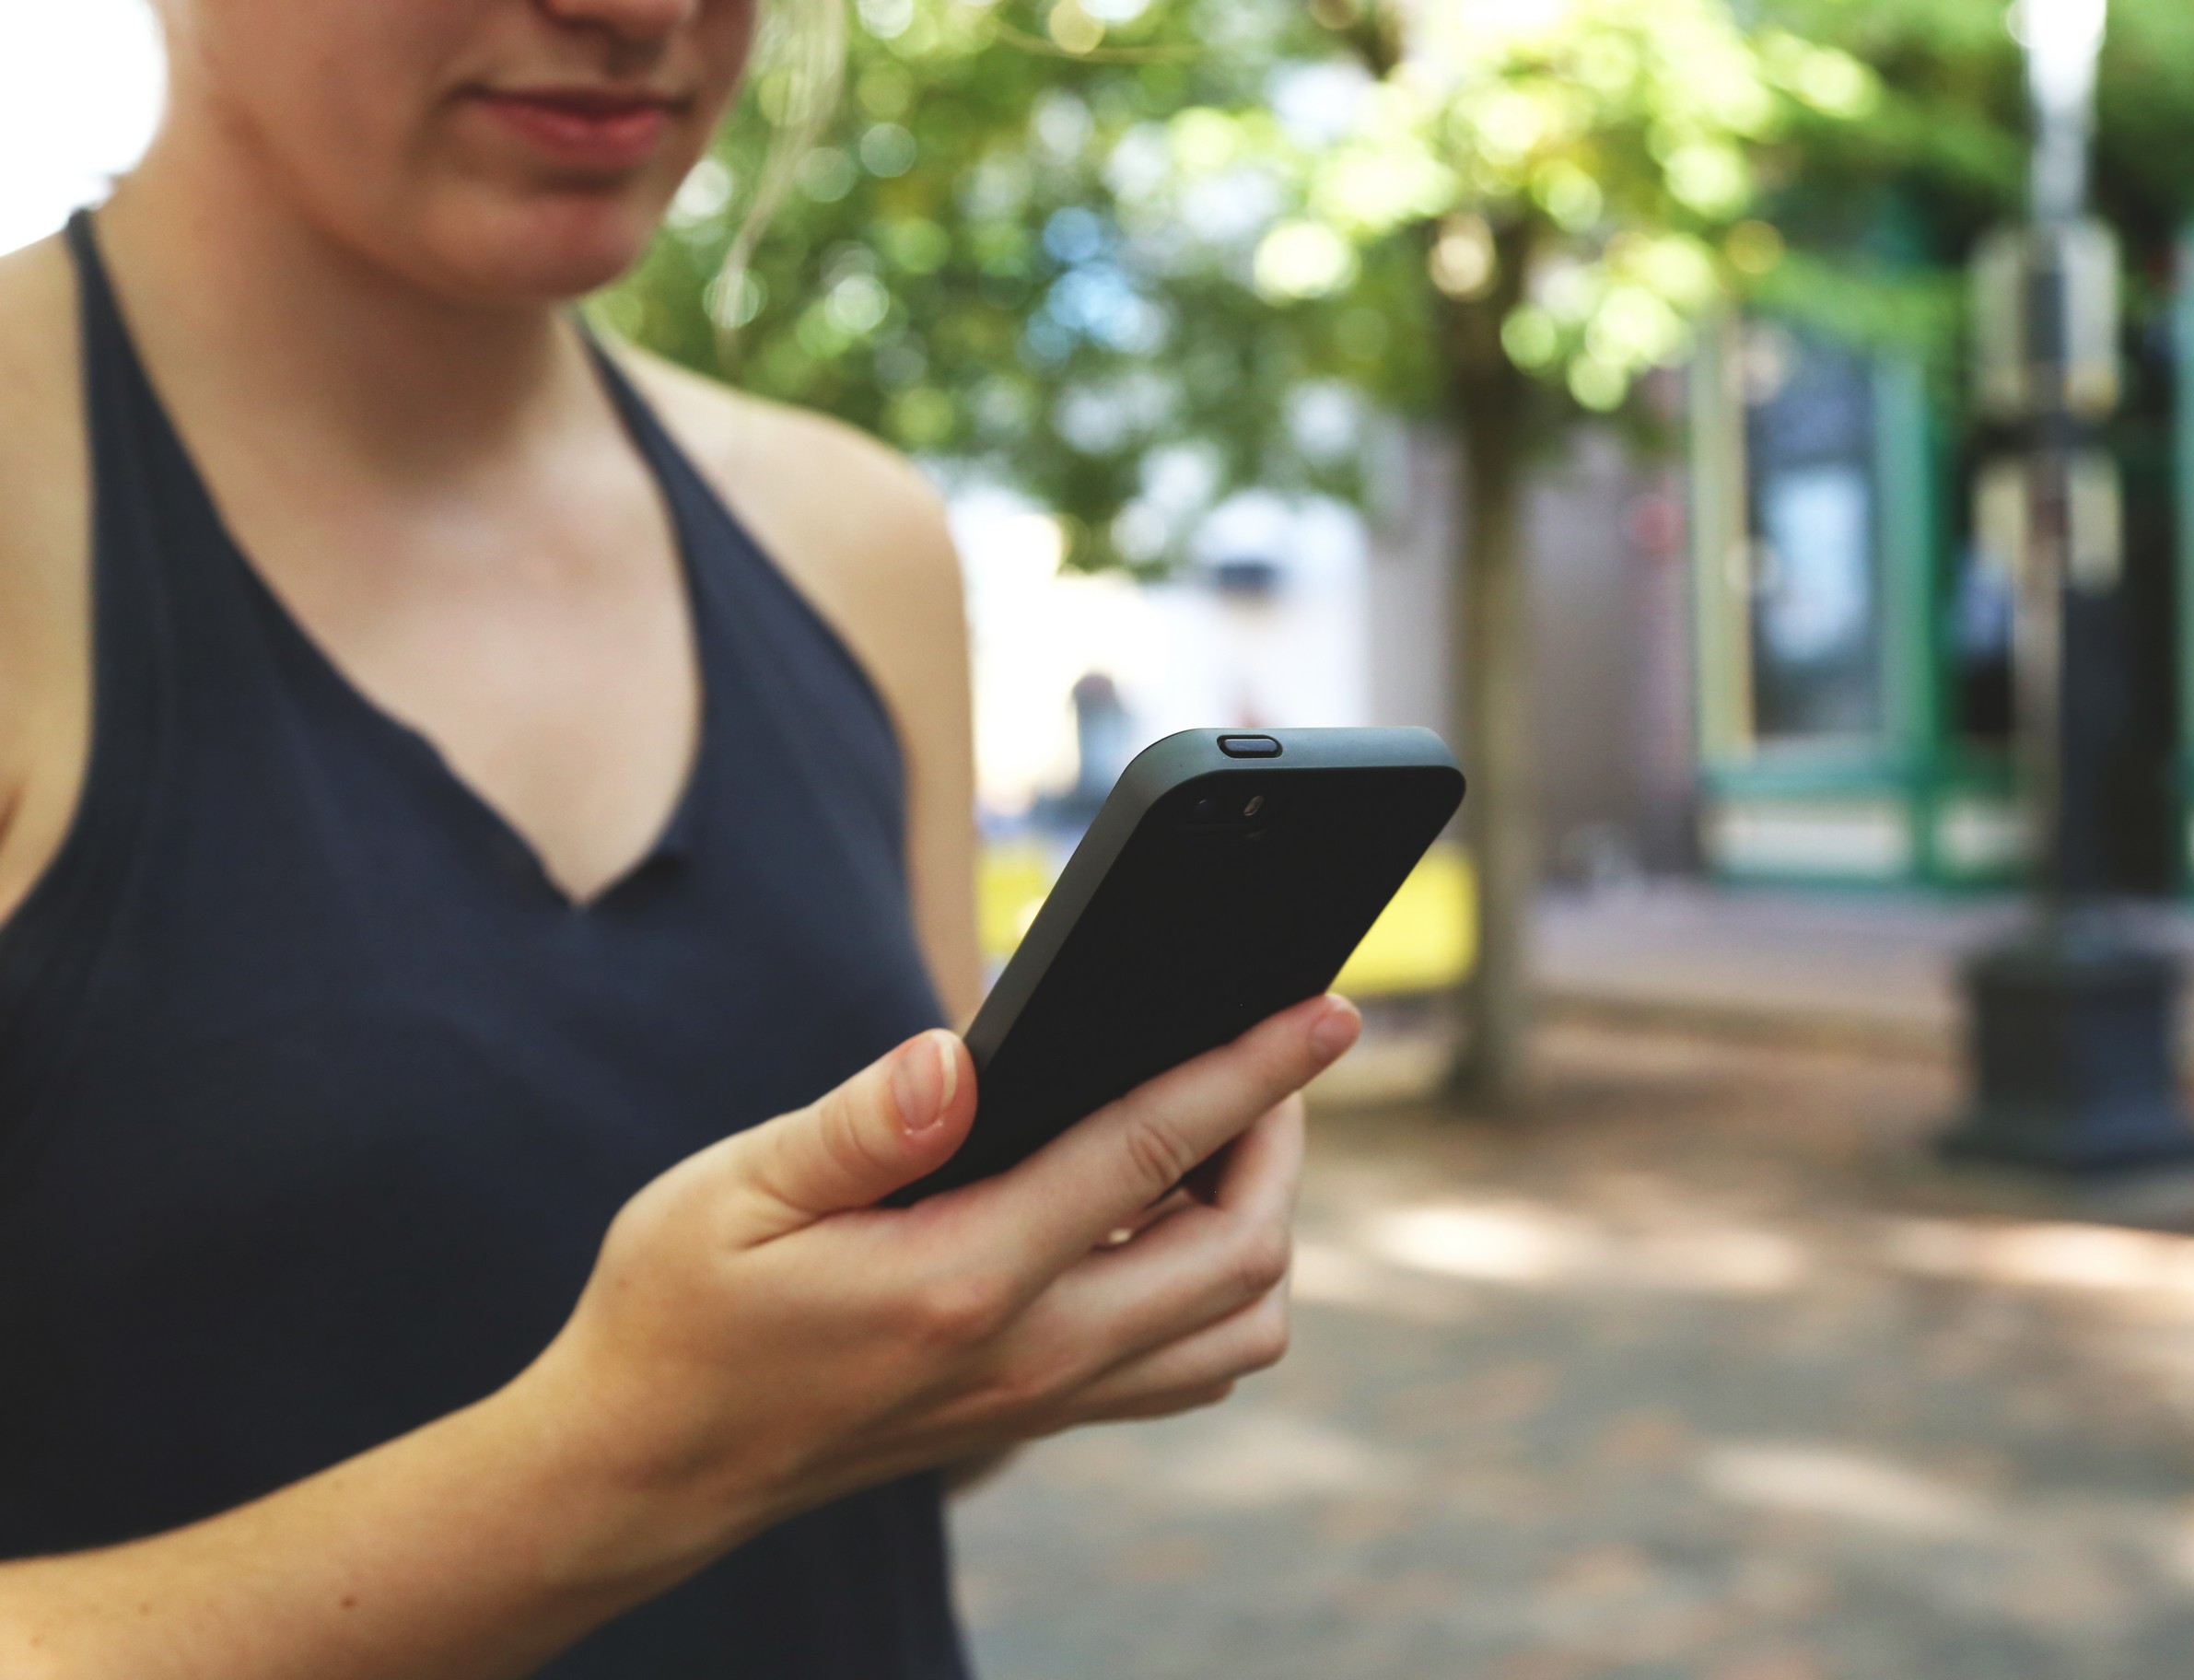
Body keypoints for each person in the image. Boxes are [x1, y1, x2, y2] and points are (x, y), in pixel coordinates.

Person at [0, 1, 1351, 1675]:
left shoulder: (853, 539)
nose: (640, 15)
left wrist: (1019, 1294)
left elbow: (883, 1437)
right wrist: (619, 1464)